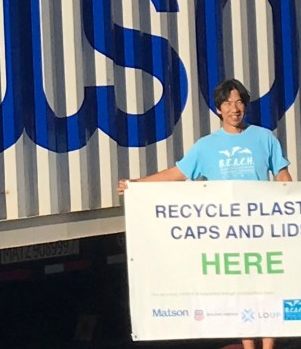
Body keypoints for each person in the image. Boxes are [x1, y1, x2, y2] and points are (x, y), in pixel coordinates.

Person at [119, 78, 291, 349]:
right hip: (228, 234)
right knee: (243, 292)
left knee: (266, 291)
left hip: (262, 230)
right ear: (219, 109)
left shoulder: (264, 138)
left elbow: (282, 176)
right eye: (228, 103)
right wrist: (136, 185)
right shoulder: (206, 146)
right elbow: (177, 174)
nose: (234, 108)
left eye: (239, 102)